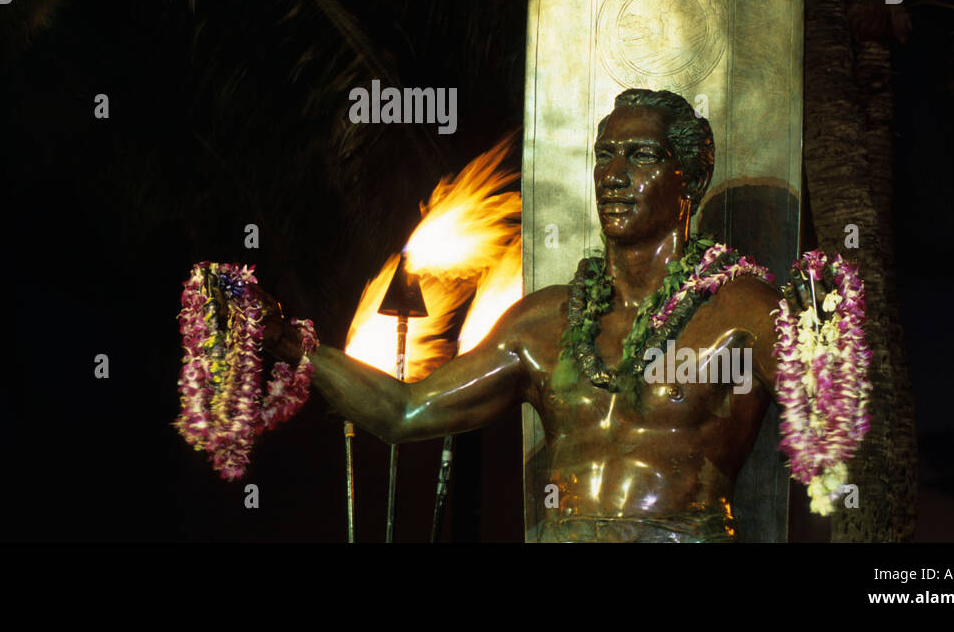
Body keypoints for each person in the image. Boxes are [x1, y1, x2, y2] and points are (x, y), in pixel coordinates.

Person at [265, 89, 783, 542]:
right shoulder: (542, 322)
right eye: (605, 156)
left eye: (641, 156)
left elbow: (836, 423)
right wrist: (290, 343)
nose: (615, 176)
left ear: (690, 179)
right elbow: (405, 411)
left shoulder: (741, 310)